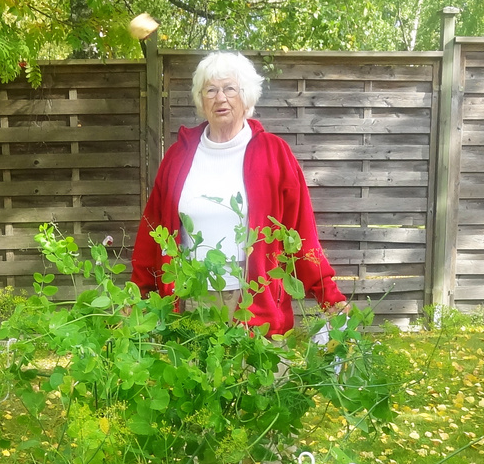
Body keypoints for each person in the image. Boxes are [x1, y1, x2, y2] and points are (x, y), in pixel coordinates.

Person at [130, 51, 347, 333]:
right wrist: (138, 294)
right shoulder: (177, 156)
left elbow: (301, 232)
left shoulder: (274, 154)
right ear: (200, 99)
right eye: (210, 90)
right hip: (192, 300)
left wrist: (327, 295)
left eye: (229, 88)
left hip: (257, 301)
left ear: (246, 96)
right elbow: (152, 231)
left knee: (262, 376)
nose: (220, 98)